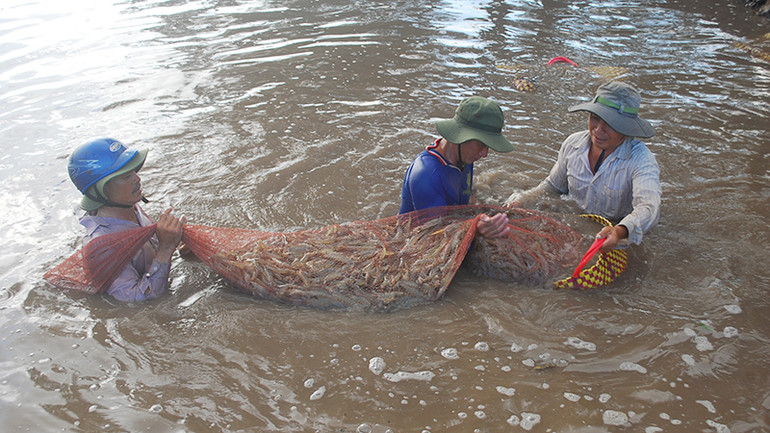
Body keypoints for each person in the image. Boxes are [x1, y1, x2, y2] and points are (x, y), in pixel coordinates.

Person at [506, 81, 661, 251]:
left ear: (626, 128)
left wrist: (619, 231)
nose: (598, 130)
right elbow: (553, 186)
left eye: (610, 124)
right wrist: (523, 200)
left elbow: (649, 208)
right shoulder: (573, 144)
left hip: (611, 235)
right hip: (573, 227)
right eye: (595, 118)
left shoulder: (641, 160)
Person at [67, 137, 185, 301]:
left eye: (134, 172)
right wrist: (166, 249)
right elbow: (134, 301)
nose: (137, 179)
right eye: (125, 176)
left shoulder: (130, 207)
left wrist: (177, 247)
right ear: (101, 190)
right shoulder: (102, 246)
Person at [399, 96, 514, 239]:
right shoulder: (427, 175)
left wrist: (487, 212)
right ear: (461, 136)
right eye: (482, 144)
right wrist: (475, 229)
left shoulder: (464, 156)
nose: (484, 154)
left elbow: (464, 194)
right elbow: (435, 239)